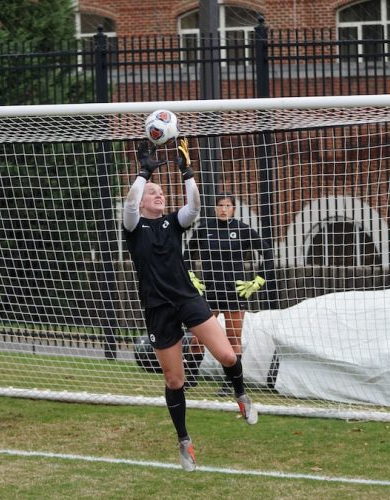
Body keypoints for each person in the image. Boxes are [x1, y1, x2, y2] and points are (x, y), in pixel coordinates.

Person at [123, 137, 258, 472]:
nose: (159, 195)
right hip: (158, 310)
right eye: (152, 192)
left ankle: (241, 396)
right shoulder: (134, 226)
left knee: (227, 354)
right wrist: (143, 173)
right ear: (142, 202)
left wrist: (187, 172)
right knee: (175, 381)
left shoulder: (173, 223)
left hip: (187, 299)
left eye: (161, 192)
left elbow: (194, 207)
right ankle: (184, 441)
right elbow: (128, 204)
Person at [185, 193, 274, 396]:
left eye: (228, 205)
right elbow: (186, 255)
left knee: (233, 339)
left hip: (234, 293)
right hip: (210, 292)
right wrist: (191, 276)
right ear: (215, 208)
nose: (224, 209)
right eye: (220, 205)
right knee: (198, 338)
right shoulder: (205, 229)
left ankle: (230, 384)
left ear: (234, 209)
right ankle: (190, 378)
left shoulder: (242, 230)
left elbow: (268, 253)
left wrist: (257, 281)